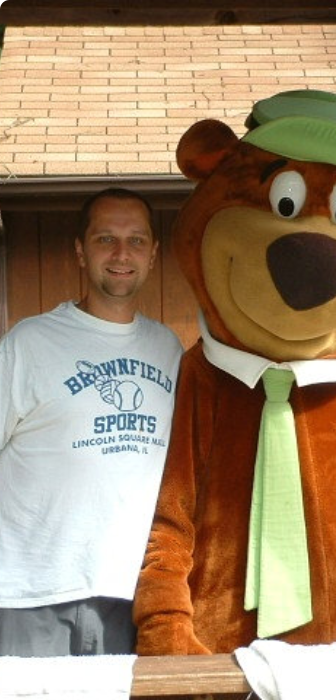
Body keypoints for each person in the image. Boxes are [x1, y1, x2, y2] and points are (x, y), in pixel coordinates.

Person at [0, 187, 183, 657]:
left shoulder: (168, 351)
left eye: (136, 241)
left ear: (153, 253)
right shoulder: (29, 344)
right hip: (32, 594)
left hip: (131, 596)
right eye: (106, 239)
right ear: (80, 250)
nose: (122, 254)